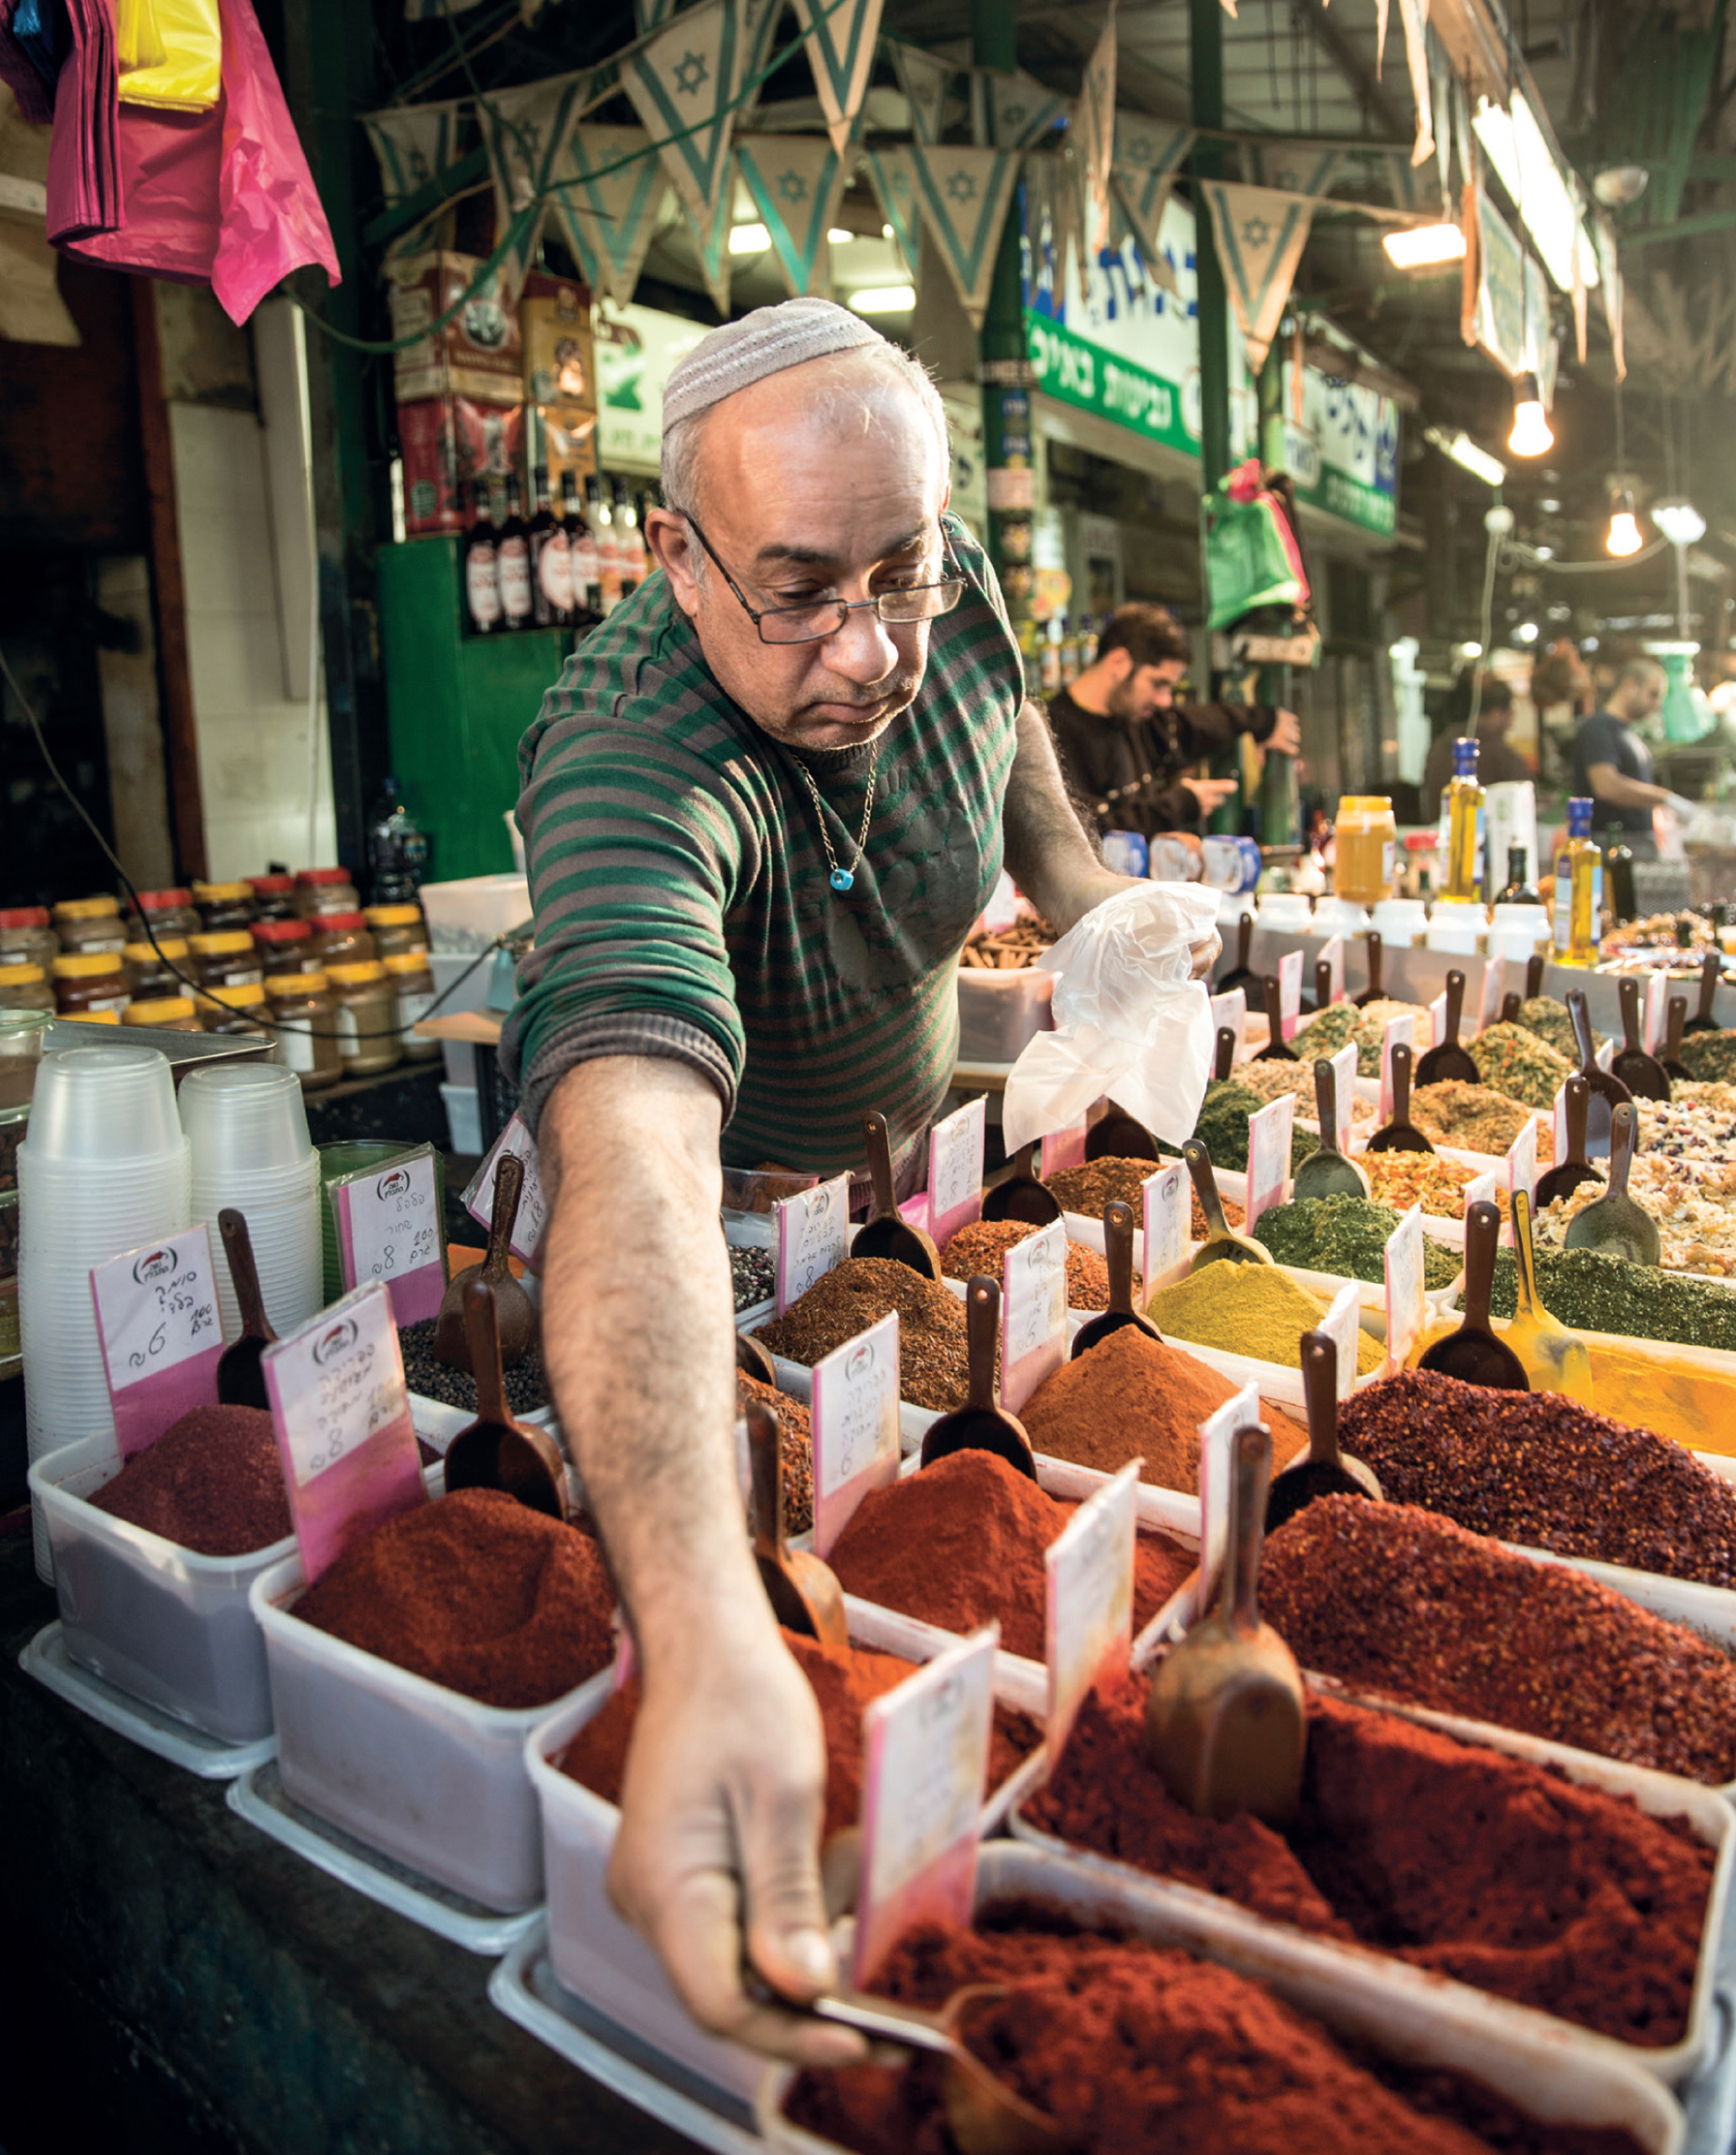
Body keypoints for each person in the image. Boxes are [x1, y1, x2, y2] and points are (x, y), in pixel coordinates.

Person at [499, 298, 1219, 2068]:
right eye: (801, 589)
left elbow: (996, 720)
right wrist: (701, 1619)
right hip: (717, 1266)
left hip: (907, 1207)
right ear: (676, 557)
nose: (870, 644)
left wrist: (1078, 896)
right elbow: (640, 1146)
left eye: (898, 571)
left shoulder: (928, 579)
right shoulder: (628, 757)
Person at [1045, 602, 1301, 845]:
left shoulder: (1139, 720)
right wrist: (1180, 804)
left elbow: (1203, 723)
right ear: (1119, 663)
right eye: (1158, 683)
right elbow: (1083, 836)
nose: (1165, 701)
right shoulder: (1053, 735)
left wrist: (1264, 722)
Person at [1570, 656, 1670, 860]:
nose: (1657, 704)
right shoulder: (1597, 729)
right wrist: (1666, 798)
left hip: (1637, 845)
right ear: (1630, 685)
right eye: (1653, 694)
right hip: (1613, 848)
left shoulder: (1627, 732)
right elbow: (1606, 785)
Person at [1420, 673, 1531, 821]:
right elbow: (1527, 798)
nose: (1511, 723)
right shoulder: (1500, 753)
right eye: (1510, 714)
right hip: (1481, 838)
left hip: (1440, 834)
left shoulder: (1439, 746)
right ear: (1496, 713)